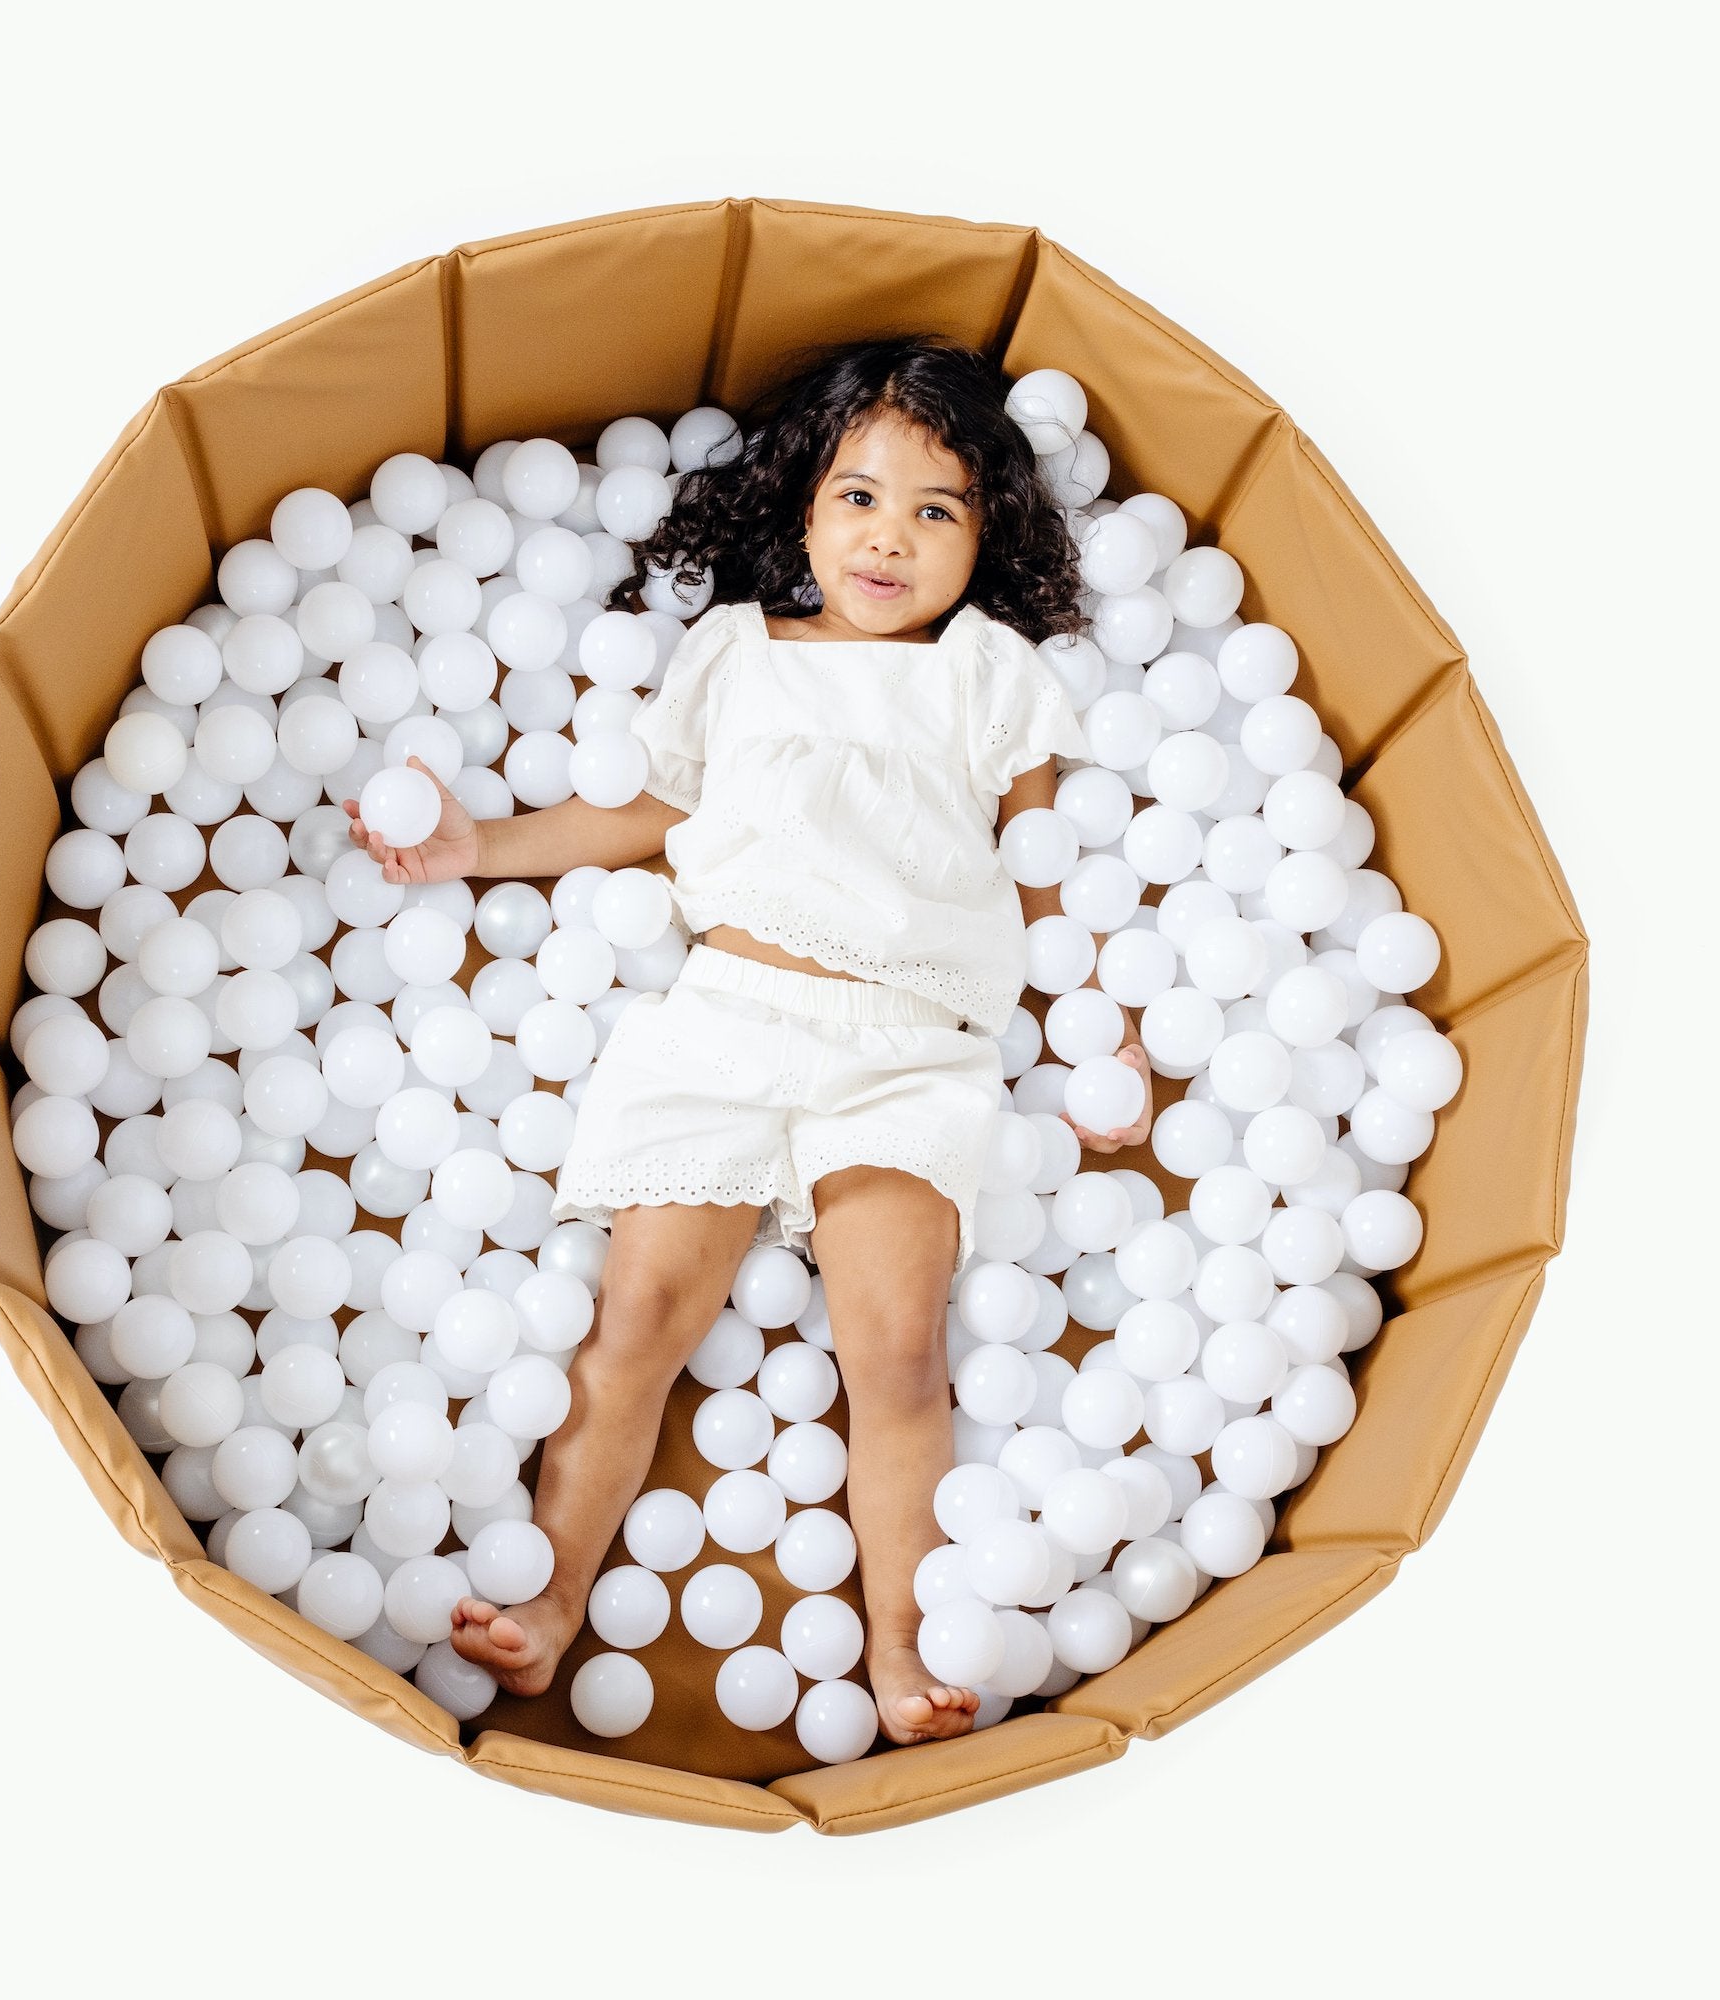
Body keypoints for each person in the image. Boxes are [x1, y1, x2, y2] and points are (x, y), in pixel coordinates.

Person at [342, 335, 1154, 1746]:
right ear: (804, 505)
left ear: (987, 537)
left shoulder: (989, 675)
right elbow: (648, 814)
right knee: (637, 1321)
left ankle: (901, 1648)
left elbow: (1047, 879)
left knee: (896, 1355)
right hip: (727, 1022)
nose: (889, 537)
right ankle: (551, 1597)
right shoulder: (736, 652)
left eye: (936, 511)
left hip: (906, 1046)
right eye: (860, 497)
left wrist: (1110, 1037)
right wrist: (481, 848)